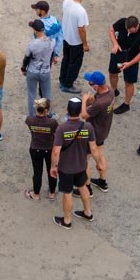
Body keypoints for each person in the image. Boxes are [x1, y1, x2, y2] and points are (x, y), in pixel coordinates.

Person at [50, 98, 104, 229]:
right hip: (81, 166)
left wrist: (53, 166)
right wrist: (99, 164)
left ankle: (67, 220)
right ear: (80, 111)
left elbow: (56, 151)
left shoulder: (62, 128)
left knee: (67, 193)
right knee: (83, 187)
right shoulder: (87, 127)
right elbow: (94, 149)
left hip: (66, 168)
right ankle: (88, 212)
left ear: (67, 110)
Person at [107, 16, 140, 115]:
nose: (128, 31)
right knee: (112, 72)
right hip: (119, 52)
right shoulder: (123, 22)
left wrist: (129, 63)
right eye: (127, 29)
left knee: (129, 82)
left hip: (132, 58)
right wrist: (115, 44)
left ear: (137, 26)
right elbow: (111, 30)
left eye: (131, 30)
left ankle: (126, 104)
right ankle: (114, 90)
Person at [82, 71, 114, 192]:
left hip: (93, 133)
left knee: (85, 159)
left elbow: (84, 115)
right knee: (100, 155)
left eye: (90, 83)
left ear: (96, 85)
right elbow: (95, 101)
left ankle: (87, 187)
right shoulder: (110, 91)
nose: (89, 84)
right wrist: (91, 100)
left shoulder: (101, 103)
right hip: (103, 130)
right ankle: (102, 181)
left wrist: (84, 101)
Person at [58, 0, 91, 93]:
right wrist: (85, 44)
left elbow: (64, 13)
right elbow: (81, 29)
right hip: (76, 42)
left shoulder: (67, 0)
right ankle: (68, 84)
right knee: (75, 63)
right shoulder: (81, 11)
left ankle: (62, 80)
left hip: (66, 36)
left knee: (66, 59)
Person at [24, 98, 58, 201]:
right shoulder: (52, 122)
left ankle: (36, 194)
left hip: (35, 148)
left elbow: (27, 120)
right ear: (47, 110)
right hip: (49, 149)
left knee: (37, 171)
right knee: (51, 170)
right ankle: (51, 193)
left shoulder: (29, 120)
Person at [23, 19, 56, 117]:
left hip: (32, 71)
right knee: (47, 94)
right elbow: (52, 55)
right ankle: (48, 113)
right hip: (45, 71)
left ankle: (32, 116)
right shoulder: (52, 41)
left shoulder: (33, 44)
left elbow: (27, 58)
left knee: (31, 94)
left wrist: (23, 69)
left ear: (34, 30)